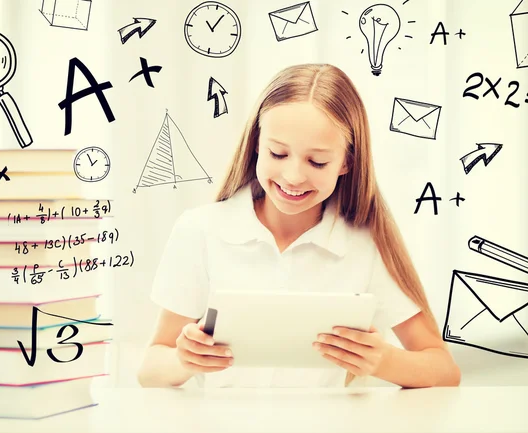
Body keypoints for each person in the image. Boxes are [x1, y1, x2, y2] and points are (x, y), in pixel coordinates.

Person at [136, 63, 461, 389]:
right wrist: (183, 360)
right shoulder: (200, 230)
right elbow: (151, 369)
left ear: (347, 161)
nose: (293, 177)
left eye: (317, 161)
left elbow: (443, 369)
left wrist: (384, 361)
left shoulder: (366, 244)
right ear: (256, 145)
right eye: (277, 153)